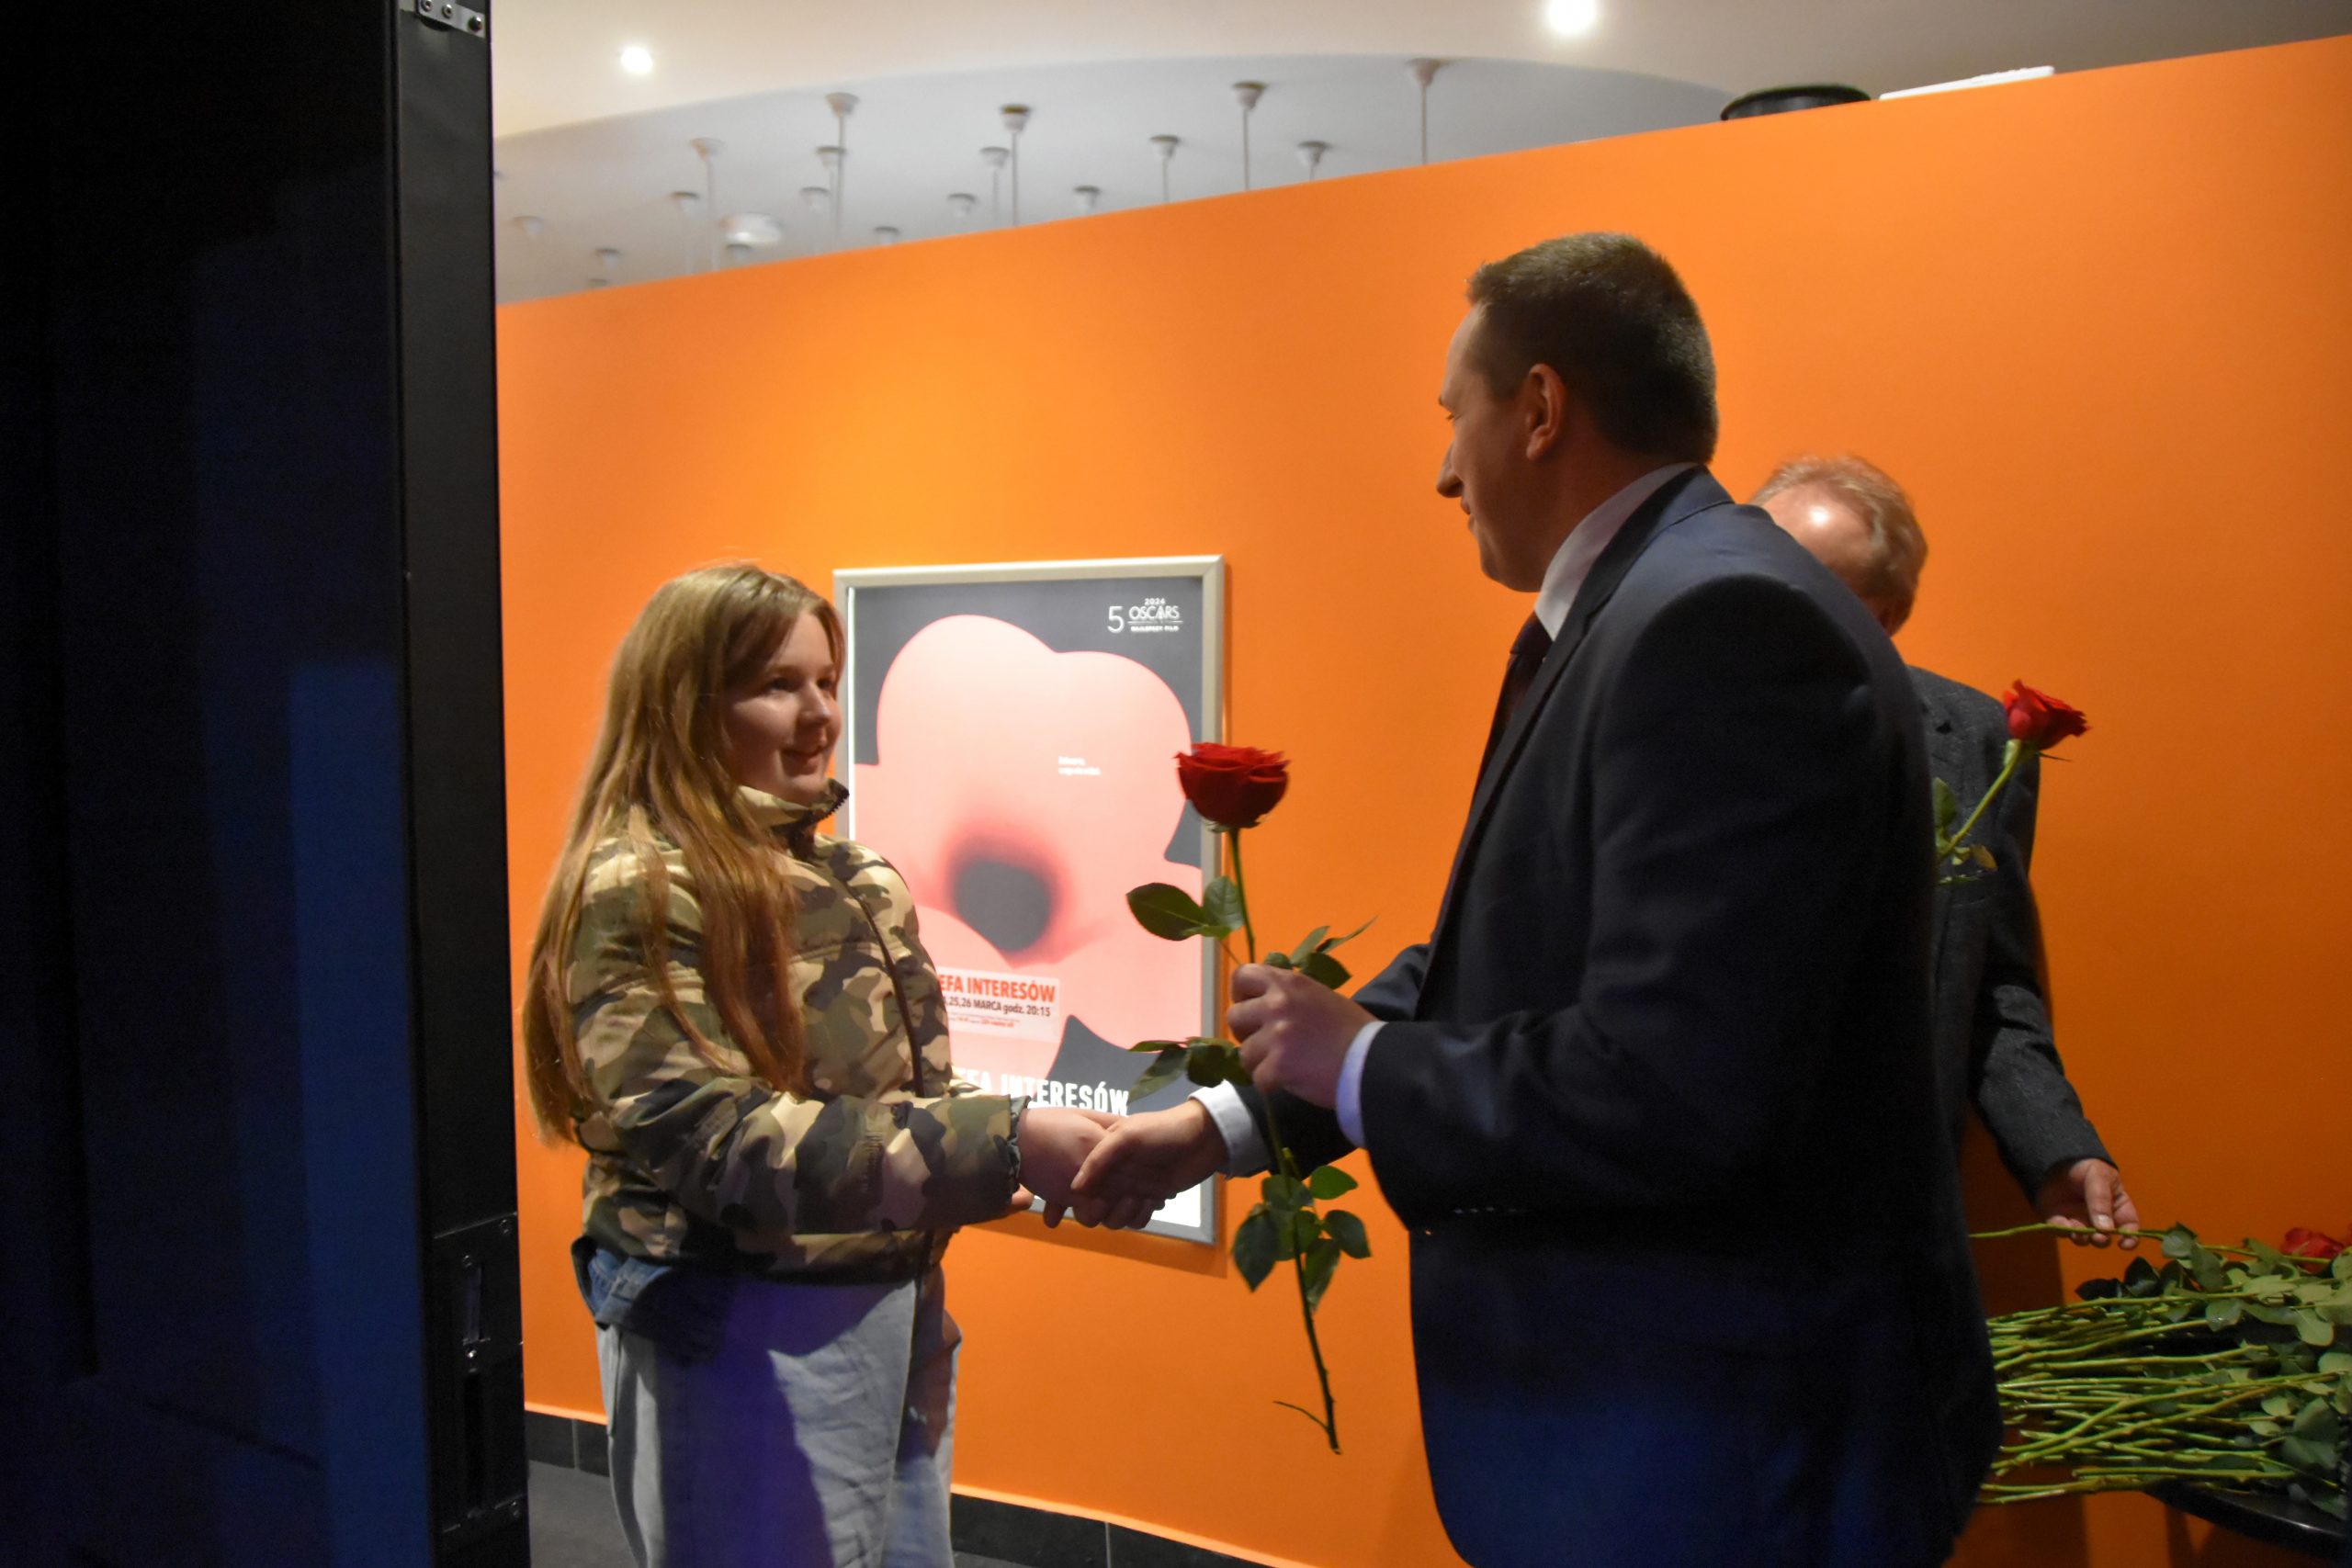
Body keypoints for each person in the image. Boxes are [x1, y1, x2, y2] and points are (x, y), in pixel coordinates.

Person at [1075, 234, 1998, 1567]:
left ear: (1542, 408)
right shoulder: (1650, 606)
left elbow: (1677, 1083)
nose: (1445, 471)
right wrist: (1219, 1124)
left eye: (1454, 414)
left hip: (1719, 1456)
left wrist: (1364, 1062)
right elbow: (1503, 964)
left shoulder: (1717, 622)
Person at [521, 563, 1112, 1568]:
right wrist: (1005, 1143)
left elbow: (909, 1095)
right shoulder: (643, 886)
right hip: (743, 1324)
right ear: (685, 703)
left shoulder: (857, 875)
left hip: (895, 1303)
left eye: (827, 682)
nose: (819, 715)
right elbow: (720, 1144)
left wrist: (1034, 1144)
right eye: (776, 685)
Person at [1754, 454, 2138, 1247]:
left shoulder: (1975, 741)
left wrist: (2054, 1147)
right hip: (1695, 1201)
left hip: (1888, 1208)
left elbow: (1992, 980)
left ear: (1886, 614)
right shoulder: (1660, 717)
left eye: (1810, 586)